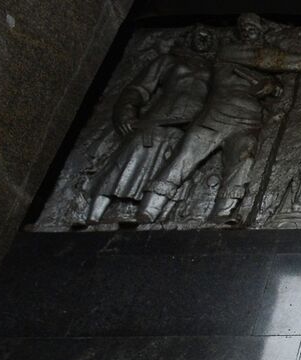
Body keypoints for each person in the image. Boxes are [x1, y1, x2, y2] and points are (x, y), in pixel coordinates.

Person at [137, 13, 301, 225]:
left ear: (260, 32)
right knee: (185, 156)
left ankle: (222, 212)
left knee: (243, 160)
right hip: (215, 116)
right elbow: (263, 57)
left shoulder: (262, 71)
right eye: (245, 29)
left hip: (248, 119)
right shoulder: (229, 51)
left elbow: (272, 83)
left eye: (254, 29)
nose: (249, 32)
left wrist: (273, 88)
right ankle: (149, 208)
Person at [83, 23, 217, 226]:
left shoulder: (217, 69)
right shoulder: (168, 60)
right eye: (200, 35)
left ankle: (149, 216)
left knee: (174, 169)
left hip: (190, 125)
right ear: (190, 38)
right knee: (127, 161)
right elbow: (138, 88)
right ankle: (92, 216)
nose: (203, 39)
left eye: (209, 37)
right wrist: (126, 112)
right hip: (157, 118)